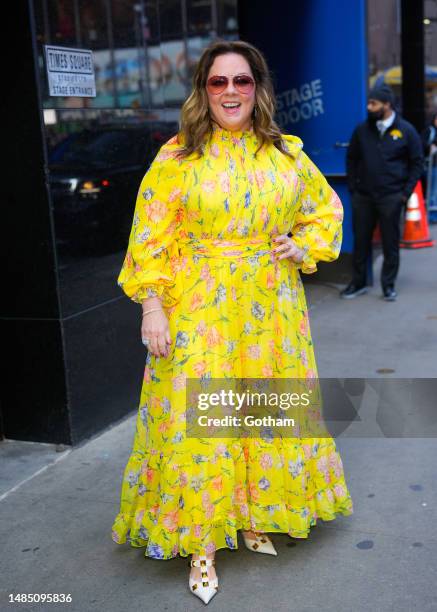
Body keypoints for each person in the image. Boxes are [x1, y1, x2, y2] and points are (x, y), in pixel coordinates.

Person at [111, 40, 353, 605]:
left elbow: (326, 212)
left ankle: (250, 514)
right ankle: (201, 543)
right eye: (218, 83)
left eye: (241, 82)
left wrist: (301, 246)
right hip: (200, 307)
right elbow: (150, 238)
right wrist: (153, 306)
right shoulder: (177, 159)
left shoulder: (285, 154)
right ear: (202, 91)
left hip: (271, 310)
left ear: (258, 89)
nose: (230, 93)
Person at [341, 84, 424, 301]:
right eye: (369, 103)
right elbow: (351, 158)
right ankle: (358, 283)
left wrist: (404, 194)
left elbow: (417, 163)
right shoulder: (361, 130)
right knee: (360, 242)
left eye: (373, 103)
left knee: (390, 243)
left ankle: (388, 286)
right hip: (364, 197)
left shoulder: (406, 130)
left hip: (392, 197)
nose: (369, 107)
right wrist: (354, 188)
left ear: (387, 105)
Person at [421, 112, 437, 223]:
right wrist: (429, 147)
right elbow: (421, 145)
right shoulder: (430, 131)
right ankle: (432, 215)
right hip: (433, 167)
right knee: (433, 191)